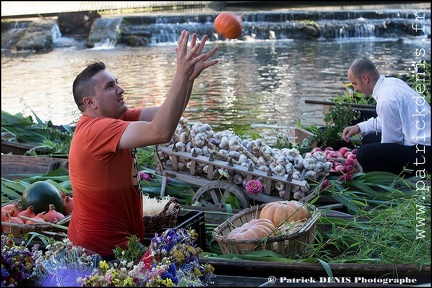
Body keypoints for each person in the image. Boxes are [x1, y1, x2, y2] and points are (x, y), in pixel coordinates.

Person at [67, 30, 219, 260]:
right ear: (90, 102)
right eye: (110, 86)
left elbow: (166, 114)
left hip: (119, 245)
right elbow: (161, 131)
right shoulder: (95, 130)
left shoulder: (117, 118)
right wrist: (180, 73)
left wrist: (187, 79)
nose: (120, 89)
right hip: (101, 254)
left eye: (116, 83)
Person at [342, 57, 431, 176]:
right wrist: (359, 127)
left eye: (355, 84)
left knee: (363, 154)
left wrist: (360, 160)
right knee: (368, 139)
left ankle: (393, 178)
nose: (356, 89)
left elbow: (392, 142)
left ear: (365, 78)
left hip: (423, 153)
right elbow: (388, 119)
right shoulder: (392, 82)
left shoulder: (386, 100)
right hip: (420, 143)